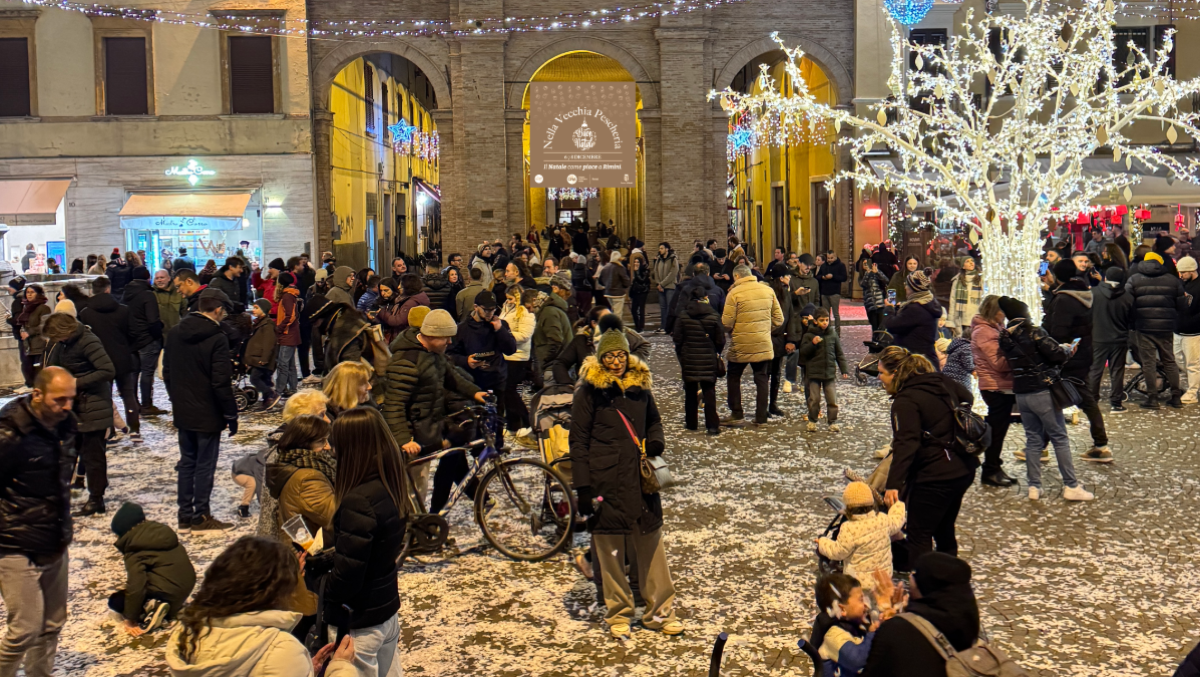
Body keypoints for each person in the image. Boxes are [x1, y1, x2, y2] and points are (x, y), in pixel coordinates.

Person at [571, 327, 682, 640]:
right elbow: (577, 441)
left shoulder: (640, 387)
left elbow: (654, 421)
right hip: (604, 481)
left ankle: (660, 612)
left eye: (620, 355)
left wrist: (656, 442)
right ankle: (618, 612)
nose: (616, 361)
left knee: (651, 544)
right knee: (611, 550)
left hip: (639, 479)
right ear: (601, 358)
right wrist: (582, 488)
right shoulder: (589, 391)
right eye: (610, 356)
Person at [166, 536, 356, 677]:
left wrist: (305, 670)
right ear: (273, 593)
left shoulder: (189, 633)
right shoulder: (280, 650)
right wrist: (340, 666)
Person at [0, 367, 76, 677]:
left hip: (54, 537)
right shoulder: (9, 434)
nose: (68, 406)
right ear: (37, 395)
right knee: (25, 630)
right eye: (60, 400)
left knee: (52, 624)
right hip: (13, 543)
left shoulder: (66, 425)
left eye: (72, 398)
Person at [324, 408, 410, 676]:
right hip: (385, 610)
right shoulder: (390, 484)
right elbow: (368, 551)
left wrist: (319, 584)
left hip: (359, 622)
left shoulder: (358, 500)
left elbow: (349, 576)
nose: (330, 449)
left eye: (335, 443)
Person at [877, 346, 977, 567]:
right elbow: (967, 397)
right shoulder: (939, 381)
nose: (879, 378)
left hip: (936, 475)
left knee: (919, 532)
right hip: (963, 467)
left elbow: (906, 444)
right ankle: (948, 580)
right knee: (943, 528)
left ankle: (925, 587)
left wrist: (893, 485)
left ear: (895, 374)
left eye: (882, 373)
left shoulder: (905, 400)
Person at [996, 297, 1094, 502]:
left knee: (1033, 439)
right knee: (1059, 437)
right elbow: (1057, 355)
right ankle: (1071, 485)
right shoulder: (1035, 331)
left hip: (1021, 394)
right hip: (1042, 391)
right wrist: (1067, 349)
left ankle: (1034, 486)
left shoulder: (1005, 338)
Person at [383, 309, 486, 502]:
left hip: (430, 425)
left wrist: (474, 392)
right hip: (414, 435)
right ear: (430, 336)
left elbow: (452, 377)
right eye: (445, 338)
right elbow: (394, 405)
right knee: (414, 491)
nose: (449, 343)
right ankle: (416, 528)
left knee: (453, 460)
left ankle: (436, 516)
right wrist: (405, 440)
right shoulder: (406, 362)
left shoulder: (433, 353)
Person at [164, 295, 239, 532]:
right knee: (204, 464)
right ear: (216, 310)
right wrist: (231, 414)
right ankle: (201, 516)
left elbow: (167, 371)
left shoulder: (175, 332)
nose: (224, 315)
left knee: (187, 463)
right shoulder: (217, 338)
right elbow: (220, 382)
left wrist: (176, 398)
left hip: (183, 409)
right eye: (223, 311)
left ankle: (185, 515)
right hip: (208, 412)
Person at [860, 553, 980, 677]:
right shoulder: (968, 625)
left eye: (916, 574)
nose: (911, 577)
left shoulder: (896, 630)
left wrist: (888, 622)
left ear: (925, 585)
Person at [42, 314, 115, 517]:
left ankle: (96, 499)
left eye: (57, 336)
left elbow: (107, 370)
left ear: (66, 331)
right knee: (66, 455)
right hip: (72, 409)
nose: (56, 341)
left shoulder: (88, 340)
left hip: (93, 407)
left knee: (93, 457)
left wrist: (75, 383)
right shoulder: (63, 344)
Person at [1044, 259, 1110, 461]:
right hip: (1084, 352)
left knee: (1064, 399)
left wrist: (1052, 352)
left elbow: (1059, 331)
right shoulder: (1082, 294)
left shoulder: (1064, 300)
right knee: (1059, 399)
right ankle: (1041, 445)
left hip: (1069, 356)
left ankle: (1101, 445)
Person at [107, 502, 196, 636]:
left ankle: (149, 607)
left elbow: (136, 586)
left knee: (116, 600)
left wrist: (131, 618)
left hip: (166, 591)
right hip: (185, 587)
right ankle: (169, 609)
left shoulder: (134, 547)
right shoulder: (162, 534)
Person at [817, 482, 906, 601]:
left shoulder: (849, 528)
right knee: (880, 605)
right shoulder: (882, 520)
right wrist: (897, 505)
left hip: (859, 584)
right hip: (883, 579)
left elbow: (838, 552)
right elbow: (897, 520)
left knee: (862, 606)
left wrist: (822, 542)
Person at [80, 275, 141, 445]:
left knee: (104, 397)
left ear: (93, 291)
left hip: (97, 361)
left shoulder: (85, 313)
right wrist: (127, 348)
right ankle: (134, 429)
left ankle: (110, 432)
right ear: (108, 289)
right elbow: (134, 333)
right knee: (128, 395)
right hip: (122, 358)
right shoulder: (123, 310)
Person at [721, 265, 784, 425]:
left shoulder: (734, 293)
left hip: (740, 343)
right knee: (761, 378)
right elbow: (779, 319)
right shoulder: (767, 291)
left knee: (734, 376)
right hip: (762, 342)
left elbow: (726, 322)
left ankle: (736, 412)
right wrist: (764, 329)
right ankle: (761, 415)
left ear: (736, 277)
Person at [1127, 251, 1188, 408]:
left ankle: (1152, 398)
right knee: (1169, 360)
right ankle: (1176, 397)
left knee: (1148, 363)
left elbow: (1127, 303)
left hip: (1143, 326)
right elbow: (1182, 305)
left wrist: (1133, 320)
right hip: (1166, 327)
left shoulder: (1134, 279)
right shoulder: (1172, 280)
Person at [969, 296, 1018, 488]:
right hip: (994, 386)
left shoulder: (994, 328)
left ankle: (995, 466)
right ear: (992, 311)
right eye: (1001, 311)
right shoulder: (983, 331)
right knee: (997, 430)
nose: (1003, 314)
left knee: (1000, 428)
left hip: (1001, 385)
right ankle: (990, 470)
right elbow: (998, 363)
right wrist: (1017, 355)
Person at [672, 285, 725, 434]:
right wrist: (716, 352)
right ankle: (712, 425)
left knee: (690, 391)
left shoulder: (683, 316)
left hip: (689, 358)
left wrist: (682, 354)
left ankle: (691, 423)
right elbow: (720, 340)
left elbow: (677, 338)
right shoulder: (714, 316)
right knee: (709, 391)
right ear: (706, 298)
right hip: (708, 358)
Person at [811, 573, 877, 677]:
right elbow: (856, 660)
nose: (866, 604)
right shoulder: (833, 634)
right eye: (860, 599)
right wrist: (873, 633)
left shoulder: (857, 623)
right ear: (842, 609)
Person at [1090, 266, 1134, 413]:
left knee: (1096, 370)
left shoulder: (1094, 293)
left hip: (1098, 337)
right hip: (1119, 339)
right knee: (1117, 371)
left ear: (1105, 277)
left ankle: (1091, 400)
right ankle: (1116, 403)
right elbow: (1131, 320)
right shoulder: (1127, 296)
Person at [798, 308, 850, 432]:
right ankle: (812, 419)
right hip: (814, 373)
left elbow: (839, 353)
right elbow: (803, 353)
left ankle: (832, 421)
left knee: (832, 399)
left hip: (829, 373)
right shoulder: (809, 335)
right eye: (822, 320)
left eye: (827, 320)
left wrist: (844, 369)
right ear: (815, 321)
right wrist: (813, 344)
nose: (825, 323)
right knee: (814, 399)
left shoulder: (832, 333)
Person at [123, 270, 165, 415]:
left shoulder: (126, 294)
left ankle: (134, 404)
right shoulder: (148, 295)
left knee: (134, 373)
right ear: (148, 278)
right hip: (147, 339)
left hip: (131, 339)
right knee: (147, 373)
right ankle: (146, 405)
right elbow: (153, 320)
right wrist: (158, 335)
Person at [885, 270, 942, 369]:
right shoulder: (928, 302)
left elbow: (891, 325)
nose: (905, 287)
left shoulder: (915, 308)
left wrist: (889, 309)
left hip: (917, 363)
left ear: (913, 288)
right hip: (924, 358)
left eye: (907, 285)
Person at [499, 285, 535, 435]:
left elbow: (525, 334)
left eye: (511, 298)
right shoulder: (506, 308)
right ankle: (513, 425)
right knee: (506, 391)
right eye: (507, 298)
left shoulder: (526, 313)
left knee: (510, 390)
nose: (508, 301)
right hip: (506, 354)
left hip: (518, 356)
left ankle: (526, 421)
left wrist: (506, 335)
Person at [244, 299, 281, 411]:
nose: (253, 310)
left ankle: (271, 394)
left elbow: (269, 343)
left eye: (256, 308)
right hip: (259, 358)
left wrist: (264, 358)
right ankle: (267, 401)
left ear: (263, 310)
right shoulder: (260, 323)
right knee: (264, 379)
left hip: (262, 359)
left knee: (255, 378)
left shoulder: (267, 325)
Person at [16, 284, 50, 389]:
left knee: (38, 369)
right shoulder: (26, 308)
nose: (29, 295)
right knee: (27, 367)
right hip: (27, 344)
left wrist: (29, 332)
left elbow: (44, 325)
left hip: (38, 343)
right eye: (27, 292)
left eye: (32, 292)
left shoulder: (44, 308)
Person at [1176, 257, 1200, 403]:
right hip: (1179, 328)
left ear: (1192, 271)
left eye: (1184, 272)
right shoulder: (1181, 284)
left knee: (1192, 363)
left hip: (1193, 331)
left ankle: (1193, 391)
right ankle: (1194, 385)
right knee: (1178, 358)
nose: (1181, 275)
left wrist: (1193, 321)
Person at [947, 257, 982, 333]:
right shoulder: (957, 281)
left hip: (977, 316)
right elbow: (953, 300)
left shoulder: (981, 279)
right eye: (967, 261)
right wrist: (951, 321)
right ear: (963, 266)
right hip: (962, 318)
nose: (971, 263)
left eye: (972, 261)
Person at [651, 243, 680, 333]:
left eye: (662, 248)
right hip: (661, 287)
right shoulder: (659, 259)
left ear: (667, 249)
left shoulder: (673, 259)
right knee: (663, 307)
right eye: (659, 248)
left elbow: (673, 272)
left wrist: (662, 284)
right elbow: (655, 271)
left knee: (669, 307)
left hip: (669, 286)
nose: (660, 250)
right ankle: (663, 326)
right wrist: (658, 284)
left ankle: (670, 327)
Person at [817, 249, 848, 332]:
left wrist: (833, 276)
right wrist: (823, 277)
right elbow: (818, 276)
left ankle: (837, 332)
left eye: (831, 258)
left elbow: (844, 278)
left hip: (835, 293)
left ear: (835, 257)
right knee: (826, 314)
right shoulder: (824, 266)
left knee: (835, 314)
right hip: (824, 292)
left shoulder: (841, 265)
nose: (829, 260)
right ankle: (827, 331)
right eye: (828, 258)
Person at [860, 260, 889, 332]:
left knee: (881, 326)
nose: (866, 266)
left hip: (880, 303)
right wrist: (867, 273)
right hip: (870, 305)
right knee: (874, 326)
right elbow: (863, 284)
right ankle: (875, 341)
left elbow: (886, 281)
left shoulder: (877, 272)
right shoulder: (863, 274)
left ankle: (880, 341)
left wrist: (877, 273)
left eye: (868, 264)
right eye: (864, 264)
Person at [627, 255, 651, 332]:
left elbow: (642, 280)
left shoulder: (645, 270)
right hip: (636, 291)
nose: (636, 263)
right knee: (634, 309)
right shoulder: (634, 270)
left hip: (643, 291)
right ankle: (637, 325)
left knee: (641, 309)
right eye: (635, 262)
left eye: (637, 262)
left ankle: (641, 326)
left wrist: (636, 272)